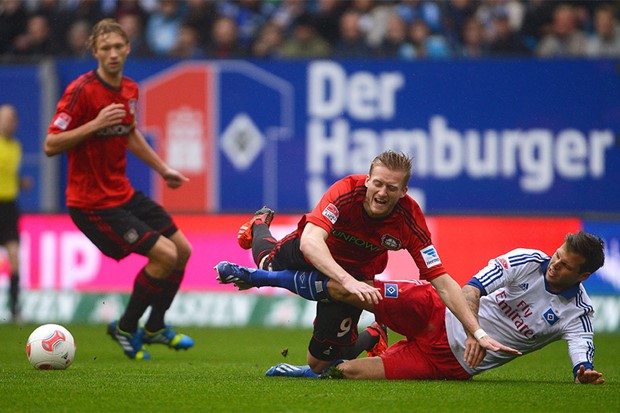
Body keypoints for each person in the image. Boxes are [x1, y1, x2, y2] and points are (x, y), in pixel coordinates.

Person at [232, 150, 519, 375]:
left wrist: (477, 331)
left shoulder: (410, 220)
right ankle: (259, 223)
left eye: (391, 188)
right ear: (368, 180)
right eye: (378, 184)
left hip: (357, 272)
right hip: (315, 251)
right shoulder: (345, 192)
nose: (382, 193)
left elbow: (441, 280)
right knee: (268, 264)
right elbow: (311, 241)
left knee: (322, 364)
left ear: (403, 191)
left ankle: (373, 334)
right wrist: (346, 281)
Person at [216, 230, 605, 384]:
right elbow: (470, 288)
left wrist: (582, 371)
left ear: (582, 275)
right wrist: (476, 330)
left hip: (448, 363)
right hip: (435, 309)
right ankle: (256, 278)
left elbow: (580, 354)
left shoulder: (579, 314)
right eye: (557, 255)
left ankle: (370, 336)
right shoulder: (526, 260)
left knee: (344, 373)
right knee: (353, 290)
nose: (555, 264)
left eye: (566, 265)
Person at [43, 18, 193, 360]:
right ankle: (126, 327)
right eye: (105, 48)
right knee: (165, 255)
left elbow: (129, 132)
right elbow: (51, 144)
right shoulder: (81, 91)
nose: (112, 54)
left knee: (182, 250)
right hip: (91, 203)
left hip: (122, 193)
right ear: (95, 51)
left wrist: (163, 169)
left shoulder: (129, 89)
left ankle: (154, 327)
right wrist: (94, 124)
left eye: (118, 47)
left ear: (127, 48)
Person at [0, 104, 31, 322]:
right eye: (2, 118)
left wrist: (21, 182)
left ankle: (14, 309)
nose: (5, 122)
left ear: (15, 123)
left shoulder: (16, 146)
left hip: (9, 207)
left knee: (14, 257)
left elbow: (10, 175)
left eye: (9, 119)